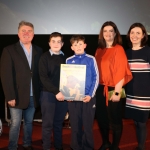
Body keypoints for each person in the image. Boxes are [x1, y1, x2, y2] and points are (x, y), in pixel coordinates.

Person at [0, 21, 42, 150]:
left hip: (32, 95)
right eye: (23, 31)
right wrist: (10, 96)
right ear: (18, 34)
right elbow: (6, 76)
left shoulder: (38, 50)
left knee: (29, 123)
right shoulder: (9, 50)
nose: (26, 33)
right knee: (15, 123)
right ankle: (12, 146)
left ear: (33, 34)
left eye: (29, 31)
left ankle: (27, 144)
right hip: (16, 95)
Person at [95, 21, 132, 150]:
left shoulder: (119, 49)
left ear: (115, 33)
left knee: (115, 120)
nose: (108, 33)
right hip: (100, 89)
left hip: (114, 88)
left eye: (111, 31)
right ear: (102, 33)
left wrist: (117, 92)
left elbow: (121, 72)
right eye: (105, 31)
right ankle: (105, 142)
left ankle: (115, 146)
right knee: (102, 119)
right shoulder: (99, 49)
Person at [66, 35, 99, 150]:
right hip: (73, 99)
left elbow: (96, 78)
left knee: (88, 126)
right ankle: (76, 147)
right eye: (75, 45)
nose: (78, 46)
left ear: (85, 45)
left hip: (88, 98)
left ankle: (88, 147)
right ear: (72, 47)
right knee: (75, 126)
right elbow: (67, 79)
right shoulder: (69, 61)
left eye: (80, 44)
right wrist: (68, 95)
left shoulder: (91, 59)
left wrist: (90, 95)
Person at [39, 32, 68, 150]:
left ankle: (58, 146)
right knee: (47, 124)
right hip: (48, 95)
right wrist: (56, 92)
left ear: (62, 44)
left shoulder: (67, 58)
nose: (56, 44)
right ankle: (46, 147)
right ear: (49, 43)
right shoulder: (44, 57)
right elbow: (43, 78)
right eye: (53, 41)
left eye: (58, 41)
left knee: (58, 123)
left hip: (63, 95)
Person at [125, 23, 150, 150]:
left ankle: (141, 147)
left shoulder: (147, 51)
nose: (134, 35)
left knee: (141, 123)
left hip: (144, 95)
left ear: (143, 35)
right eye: (132, 32)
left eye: (138, 33)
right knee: (135, 122)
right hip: (130, 94)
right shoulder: (126, 53)